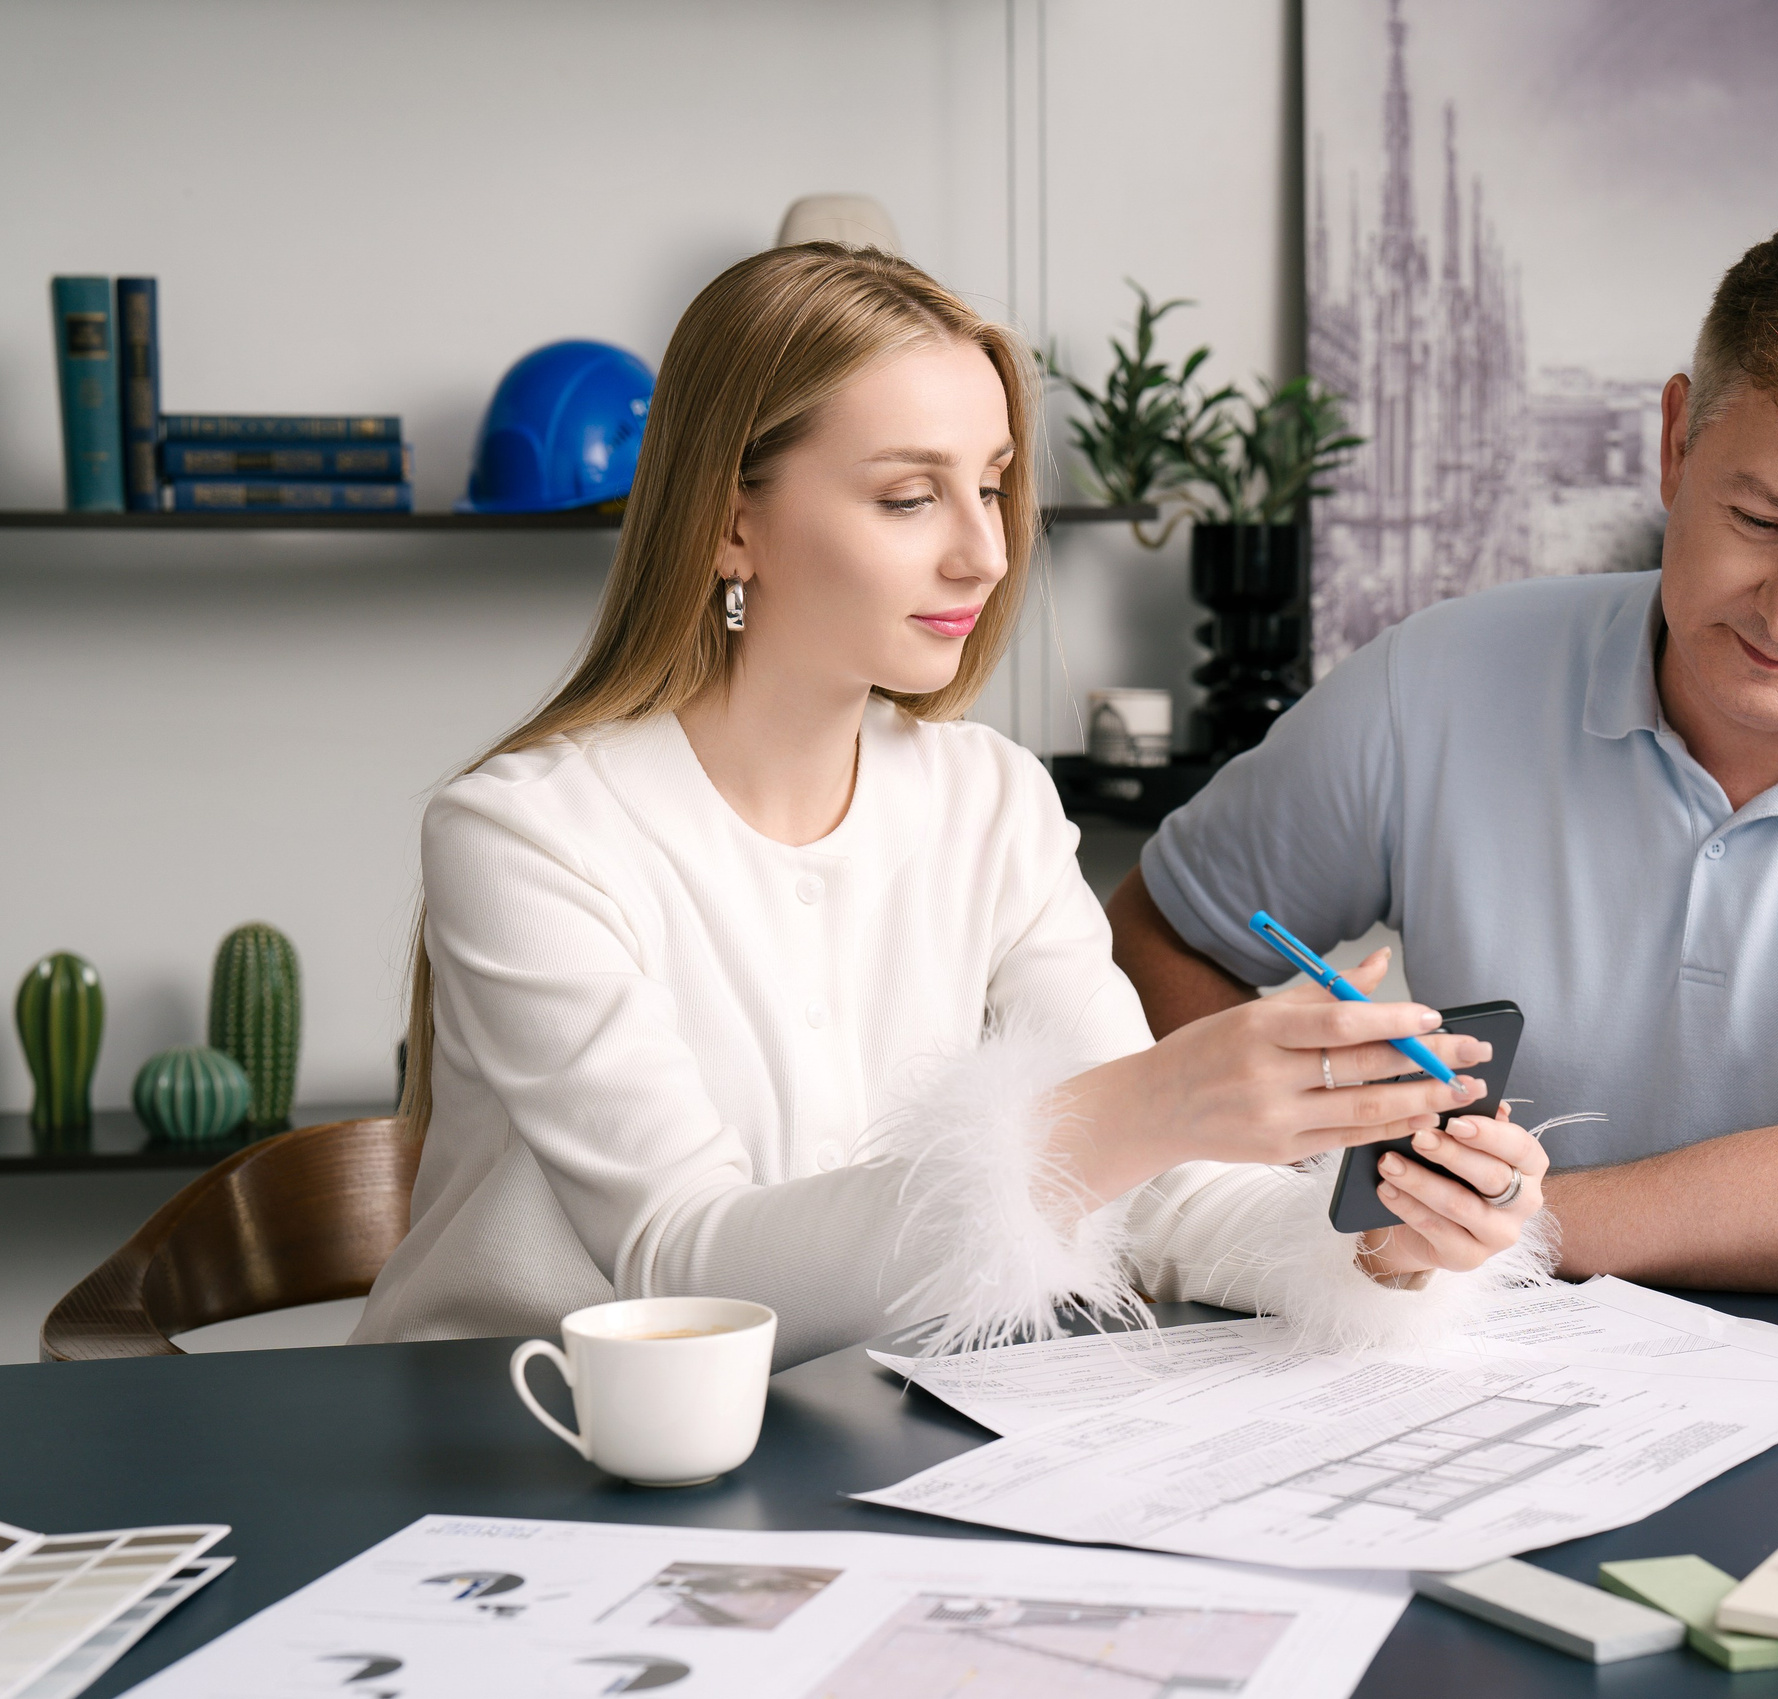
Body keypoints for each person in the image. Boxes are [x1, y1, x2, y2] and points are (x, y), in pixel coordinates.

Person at [354, 244, 1553, 1370]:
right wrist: (1153, 1100)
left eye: (990, 487)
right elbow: (683, 1265)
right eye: (908, 497)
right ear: (731, 520)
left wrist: (1383, 1244)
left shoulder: (993, 801)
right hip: (521, 1441)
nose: (984, 553)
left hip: (843, 1440)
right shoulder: (526, 836)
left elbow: (1148, 1190)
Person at [1110, 202, 1778, 1301]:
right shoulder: (1436, 680)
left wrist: (1481, 1224)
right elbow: (1159, 932)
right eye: (1755, 519)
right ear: (1674, 446)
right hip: (1510, 1383)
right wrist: (1308, 1185)